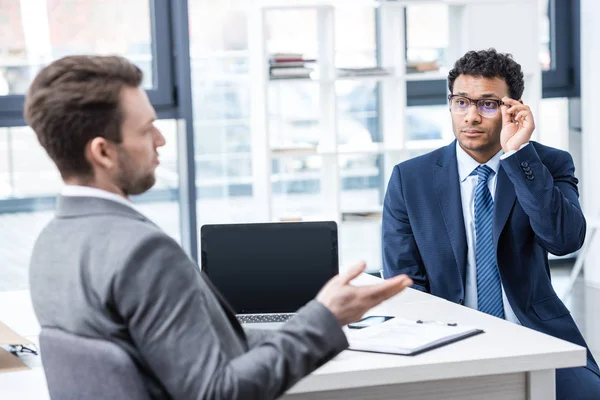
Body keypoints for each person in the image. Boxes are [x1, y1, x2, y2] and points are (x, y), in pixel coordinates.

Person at [25, 55, 413, 400]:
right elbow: (217, 391)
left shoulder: (51, 242)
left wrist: (316, 321)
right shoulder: (142, 251)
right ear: (103, 152)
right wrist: (323, 319)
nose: (161, 140)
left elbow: (180, 348)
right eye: (146, 130)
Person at [382, 48, 600, 399]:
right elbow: (402, 283)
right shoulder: (411, 179)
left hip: (534, 335)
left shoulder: (547, 164)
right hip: (446, 339)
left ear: (512, 108)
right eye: (461, 102)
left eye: (488, 104)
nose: (471, 117)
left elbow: (564, 240)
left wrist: (517, 154)